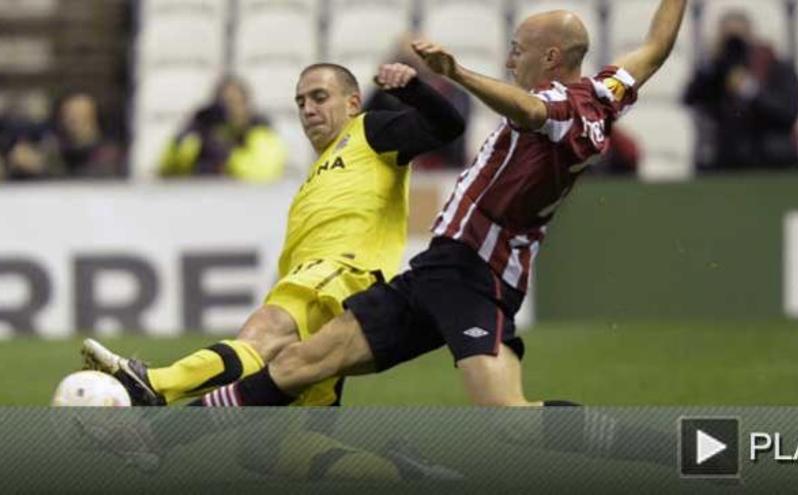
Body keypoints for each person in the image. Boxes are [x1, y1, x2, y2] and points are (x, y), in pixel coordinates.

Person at [189, 0, 688, 409]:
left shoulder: (556, 105)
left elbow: (531, 110)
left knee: (507, 419)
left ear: (552, 57)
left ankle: (636, 446)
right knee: (299, 364)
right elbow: (656, 47)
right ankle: (170, 434)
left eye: (517, 51)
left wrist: (459, 73)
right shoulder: (604, 93)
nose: (511, 60)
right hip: (439, 270)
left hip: (476, 276)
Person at [82, 62, 465, 408]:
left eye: (319, 97)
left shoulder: (369, 132)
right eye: (300, 102)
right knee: (287, 452)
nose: (308, 110)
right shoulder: (317, 173)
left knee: (261, 335)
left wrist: (411, 89)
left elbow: (448, 125)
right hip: (323, 287)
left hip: (338, 277)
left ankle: (152, 385)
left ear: (352, 103)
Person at [683, 9, 798, 172]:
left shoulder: (776, 67)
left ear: (752, 36)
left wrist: (750, 90)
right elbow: (690, 99)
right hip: (725, 160)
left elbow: (789, 112)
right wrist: (712, 66)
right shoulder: (716, 70)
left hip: (772, 159)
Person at [365, 33, 472, 170]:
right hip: (391, 164)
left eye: (416, 61)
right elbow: (367, 129)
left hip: (442, 169)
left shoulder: (455, 94)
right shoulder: (384, 94)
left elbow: (454, 138)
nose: (408, 69)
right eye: (405, 62)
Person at [159, 76, 289, 182]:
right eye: (223, 104)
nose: (229, 111)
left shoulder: (261, 132)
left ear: (245, 105)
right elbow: (166, 170)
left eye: (234, 103)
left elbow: (262, 173)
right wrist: (184, 136)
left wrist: (226, 155)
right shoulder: (203, 136)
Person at [52, 91, 125, 178]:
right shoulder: (56, 152)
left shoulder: (110, 155)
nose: (75, 122)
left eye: (82, 116)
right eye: (69, 116)